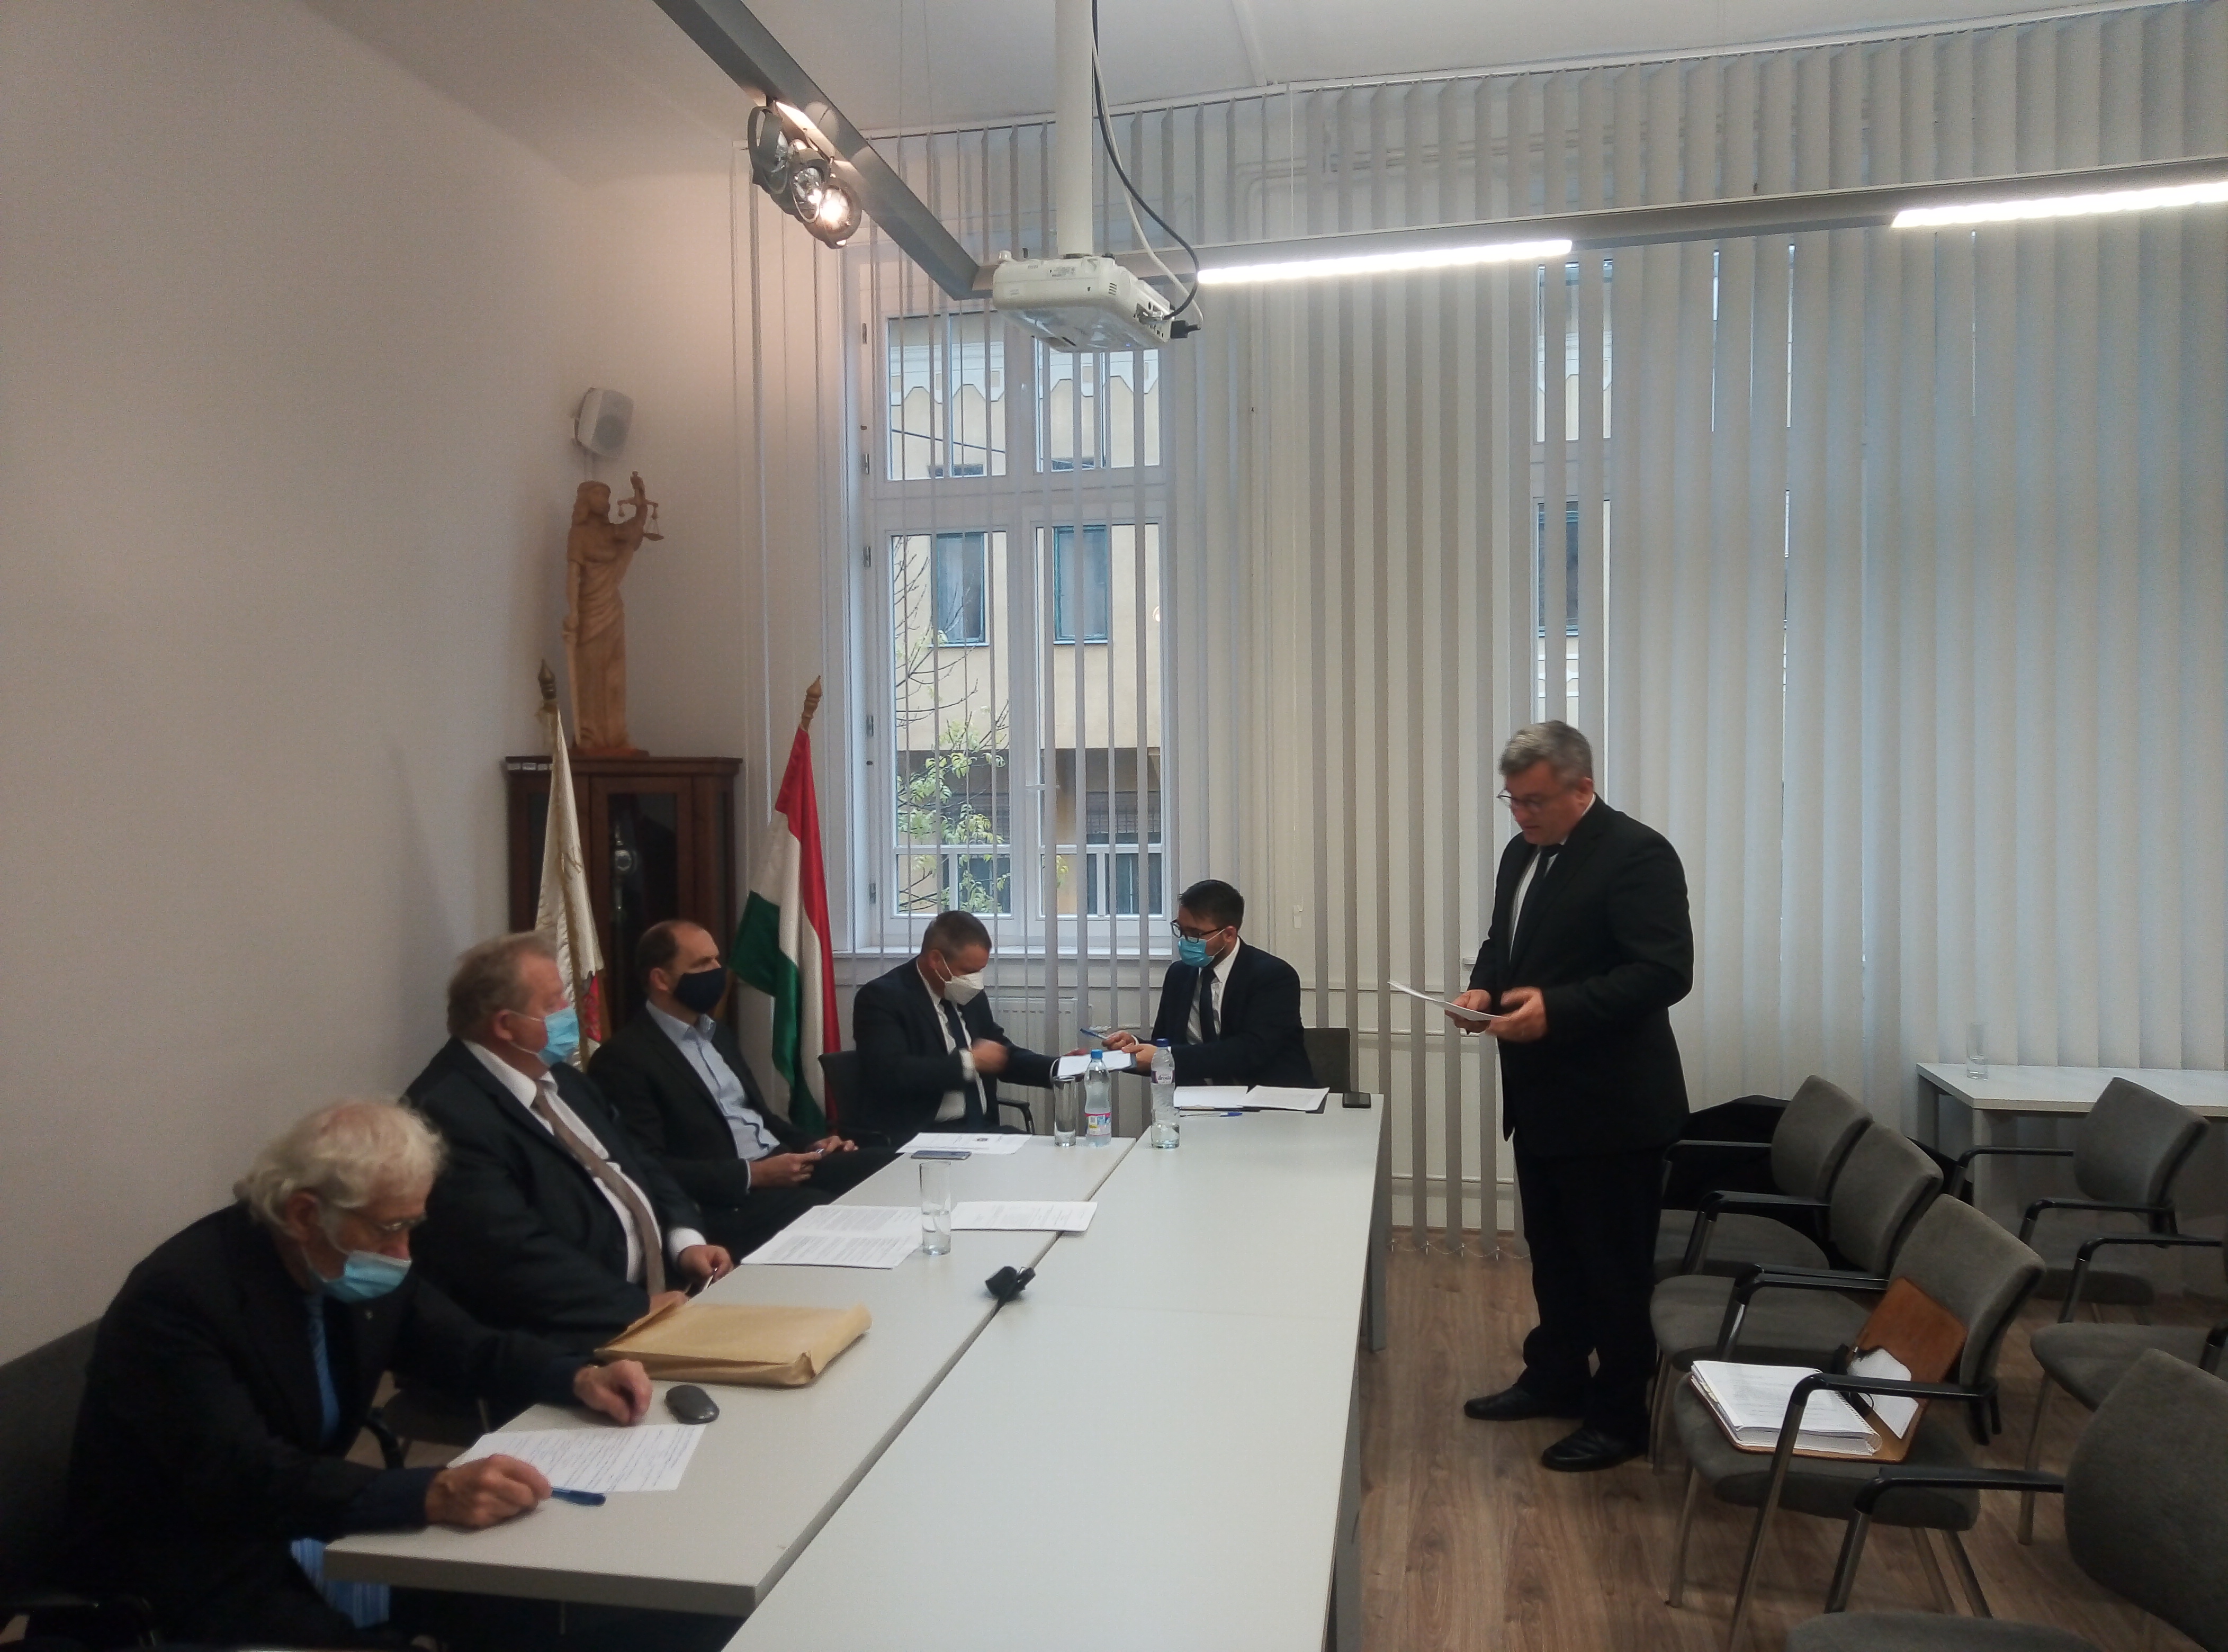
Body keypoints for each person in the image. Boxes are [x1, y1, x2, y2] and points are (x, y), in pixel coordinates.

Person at [62, 1100, 658, 1648]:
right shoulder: (180, 1299)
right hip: (197, 1572)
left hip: (303, 1526)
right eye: (389, 1228)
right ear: (304, 1213)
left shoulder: (338, 1258)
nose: (403, 1253)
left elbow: (467, 1347)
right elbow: (243, 1475)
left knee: (527, 1600)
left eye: (411, 1226)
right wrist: (432, 1492)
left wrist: (576, 1377)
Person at [1450, 721, 1693, 1473]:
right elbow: (1503, 943)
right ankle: (1554, 1378)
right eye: (1512, 801)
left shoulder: (1637, 854)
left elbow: (1664, 972)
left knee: (1613, 1273)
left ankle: (1619, 1418)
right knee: (1554, 1260)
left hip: (1612, 1107)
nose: (1521, 815)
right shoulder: (1520, 854)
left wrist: (1555, 1010)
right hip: (1540, 1100)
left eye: (1534, 801)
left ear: (1581, 787)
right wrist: (1483, 987)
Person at [408, 932, 731, 1351]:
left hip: (661, 1296)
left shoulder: (562, 1078)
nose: (570, 1011)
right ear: (505, 1025)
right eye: (552, 1004)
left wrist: (685, 1242)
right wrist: (633, 1308)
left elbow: (639, 1162)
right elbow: (510, 1255)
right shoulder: (446, 1114)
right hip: (568, 1337)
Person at [590, 919, 894, 1255]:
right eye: (701, 964)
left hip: (782, 1164)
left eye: (716, 959)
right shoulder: (624, 1058)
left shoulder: (717, 1034)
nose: (717, 970)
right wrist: (753, 1174)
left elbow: (760, 1117)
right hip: (728, 1197)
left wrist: (813, 1144)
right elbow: (648, 1165)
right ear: (661, 979)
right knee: (834, 1216)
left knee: (888, 1168)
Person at [853, 910, 1055, 1142]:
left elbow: (1000, 1054)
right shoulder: (882, 998)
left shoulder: (968, 993)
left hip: (981, 1130)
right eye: (968, 971)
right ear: (936, 960)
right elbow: (891, 1073)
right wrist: (969, 1062)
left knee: (1042, 1152)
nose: (974, 981)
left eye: (979, 971)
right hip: (922, 1135)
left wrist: (1061, 1068)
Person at [1104, 879, 1314, 1088]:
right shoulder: (1179, 974)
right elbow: (1166, 1044)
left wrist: (1167, 1056)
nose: (1185, 940)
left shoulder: (1273, 976)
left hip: (1269, 1097)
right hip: (1198, 1099)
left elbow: (1252, 1051)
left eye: (1195, 934)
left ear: (1229, 934)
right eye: (1181, 930)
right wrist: (1134, 1047)